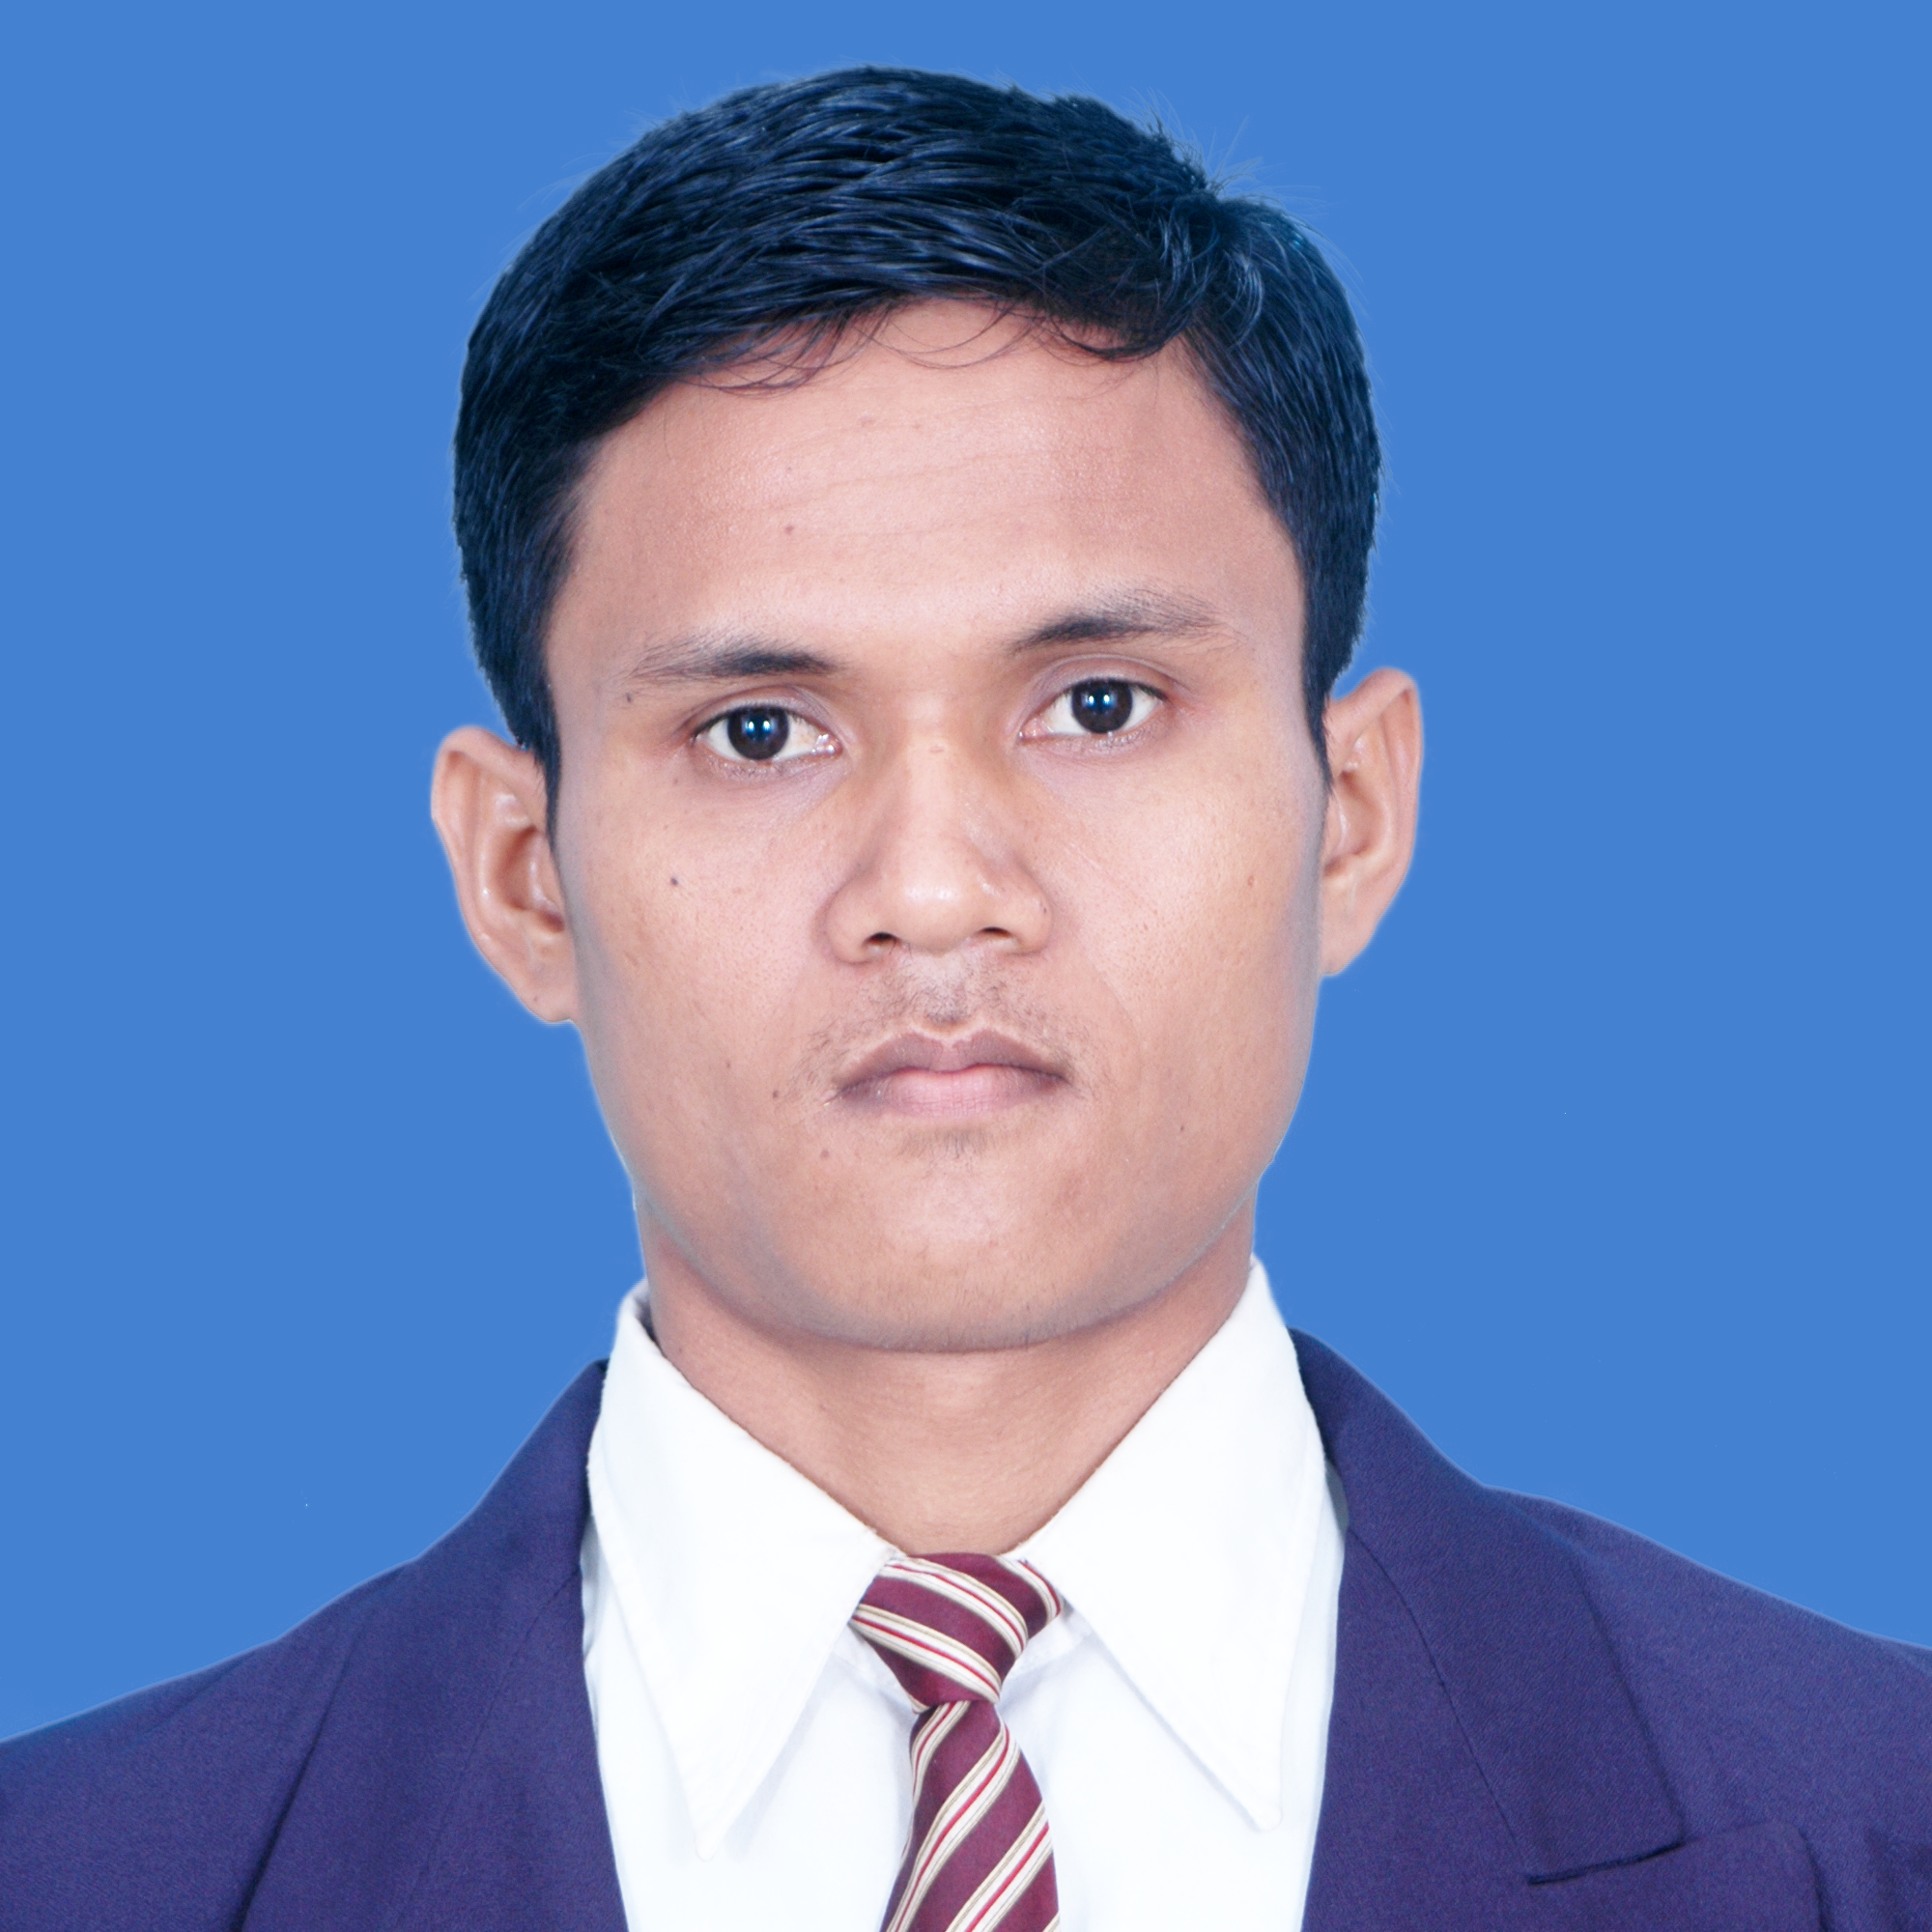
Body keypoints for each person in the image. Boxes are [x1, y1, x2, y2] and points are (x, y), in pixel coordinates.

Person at [1, 65, 1925, 1932]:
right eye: (759, 731)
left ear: (1352, 816)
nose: (931, 889)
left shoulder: (1878, 1834)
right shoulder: (75, 1877)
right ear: (524, 874)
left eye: (1099, 705)